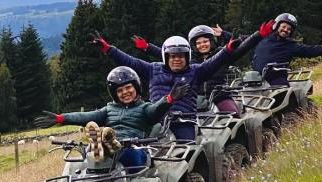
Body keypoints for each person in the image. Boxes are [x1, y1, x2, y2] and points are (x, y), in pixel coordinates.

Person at [93, 22, 272, 140]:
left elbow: (219, 60)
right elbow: (130, 61)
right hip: (156, 120)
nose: (176, 59)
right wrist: (108, 49)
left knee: (189, 152)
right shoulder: (153, 69)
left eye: (181, 56)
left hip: (184, 120)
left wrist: (229, 48)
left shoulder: (196, 71)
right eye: (172, 56)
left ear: (187, 56)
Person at [34, 66, 189, 165]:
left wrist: (168, 99)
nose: (125, 92)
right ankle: (102, 145)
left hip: (133, 148)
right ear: (115, 94)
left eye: (128, 88)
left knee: (127, 153)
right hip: (106, 155)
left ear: (136, 88)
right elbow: (85, 117)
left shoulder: (144, 108)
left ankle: (106, 144)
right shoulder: (108, 109)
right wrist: (61, 118)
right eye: (119, 91)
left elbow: (155, 111)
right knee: (85, 158)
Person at [252, 12, 322, 83]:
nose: (286, 30)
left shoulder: (290, 45)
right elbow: (246, 42)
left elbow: (310, 50)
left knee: (287, 100)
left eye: (289, 29)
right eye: (284, 26)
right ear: (277, 26)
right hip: (255, 81)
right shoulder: (263, 38)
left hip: (277, 83)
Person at [187, 24, 240, 113]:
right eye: (198, 43)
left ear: (211, 42)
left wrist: (225, 34)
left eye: (205, 41)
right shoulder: (189, 61)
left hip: (220, 96)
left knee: (233, 114)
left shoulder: (221, 54)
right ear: (194, 46)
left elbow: (241, 46)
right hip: (196, 99)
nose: (202, 45)